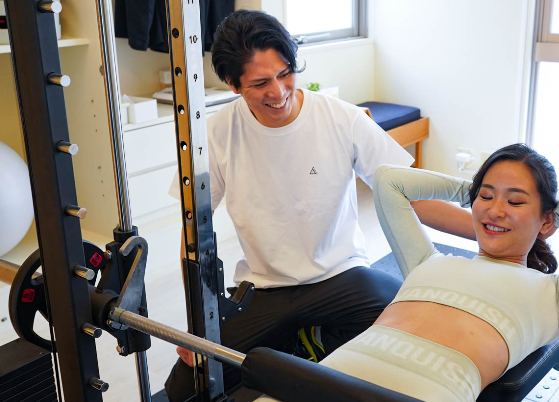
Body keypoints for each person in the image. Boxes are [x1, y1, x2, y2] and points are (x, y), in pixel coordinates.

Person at [165, 9, 474, 401]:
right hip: (264, 287)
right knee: (185, 389)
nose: (278, 92)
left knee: (414, 334)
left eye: (284, 73)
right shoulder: (216, 133)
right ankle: (298, 345)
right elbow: (194, 230)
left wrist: (491, 232)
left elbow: (412, 197)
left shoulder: (341, 119)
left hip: (341, 277)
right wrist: (199, 321)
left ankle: (313, 341)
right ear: (232, 84)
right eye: (260, 83)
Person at [257, 143, 559, 402]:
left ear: (547, 222)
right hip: (323, 382)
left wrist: (537, 208)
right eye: (485, 196)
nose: (495, 210)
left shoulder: (549, 293)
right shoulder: (429, 261)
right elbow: (390, 180)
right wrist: (475, 193)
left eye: (515, 201)